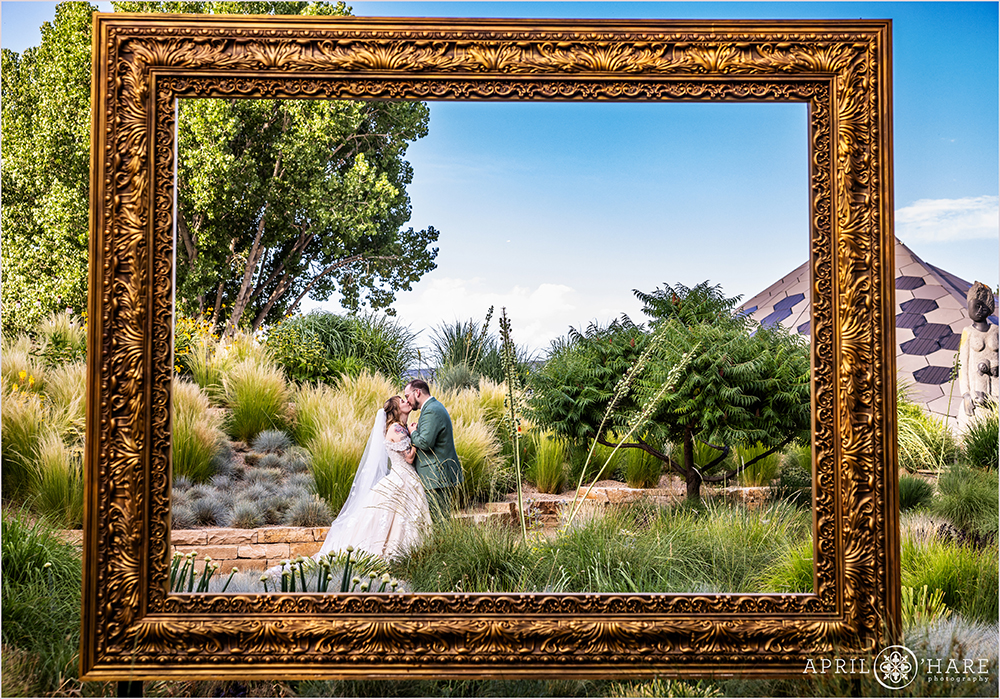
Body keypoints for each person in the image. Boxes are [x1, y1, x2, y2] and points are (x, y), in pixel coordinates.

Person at [312, 395, 431, 561]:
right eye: (401, 401)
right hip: (402, 478)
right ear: (397, 409)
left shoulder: (400, 427)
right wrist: (415, 434)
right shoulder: (397, 429)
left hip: (405, 477)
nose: (406, 402)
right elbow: (410, 457)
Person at [404, 379, 463, 522]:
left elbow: (425, 443)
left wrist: (412, 432)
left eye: (407, 396)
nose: (407, 401)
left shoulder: (431, 410)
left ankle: (444, 544)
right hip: (436, 476)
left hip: (436, 476)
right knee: (439, 520)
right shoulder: (433, 407)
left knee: (440, 521)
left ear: (417, 392)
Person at [958, 281, 999, 432]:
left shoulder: (996, 330)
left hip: (995, 392)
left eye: (983, 306)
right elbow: (962, 366)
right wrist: (965, 394)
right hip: (976, 394)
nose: (979, 310)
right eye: (976, 305)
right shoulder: (967, 332)